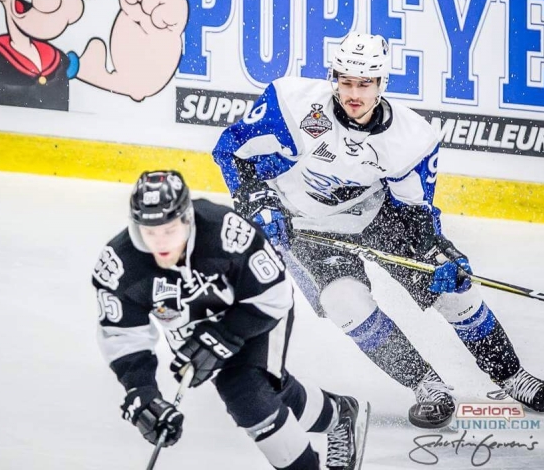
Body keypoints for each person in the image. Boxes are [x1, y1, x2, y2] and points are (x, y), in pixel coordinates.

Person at [212, 32, 544, 429]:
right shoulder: (292, 105)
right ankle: (427, 385)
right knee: (344, 301)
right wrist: (257, 201)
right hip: (304, 227)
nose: (353, 94)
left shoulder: (411, 137)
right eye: (345, 82)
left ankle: (511, 375)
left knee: (453, 289)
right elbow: (231, 151)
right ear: (333, 78)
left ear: (382, 83)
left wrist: (438, 252)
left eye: (365, 84)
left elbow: (416, 213)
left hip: (377, 216)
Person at [94, 170, 370, 470]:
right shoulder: (120, 266)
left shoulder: (225, 232)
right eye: (150, 232)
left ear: (186, 219)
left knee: (244, 391)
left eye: (169, 230)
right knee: (268, 388)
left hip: (257, 310)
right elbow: (123, 337)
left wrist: (224, 335)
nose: (160, 243)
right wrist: (142, 392)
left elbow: (273, 294)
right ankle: (338, 415)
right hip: (196, 329)